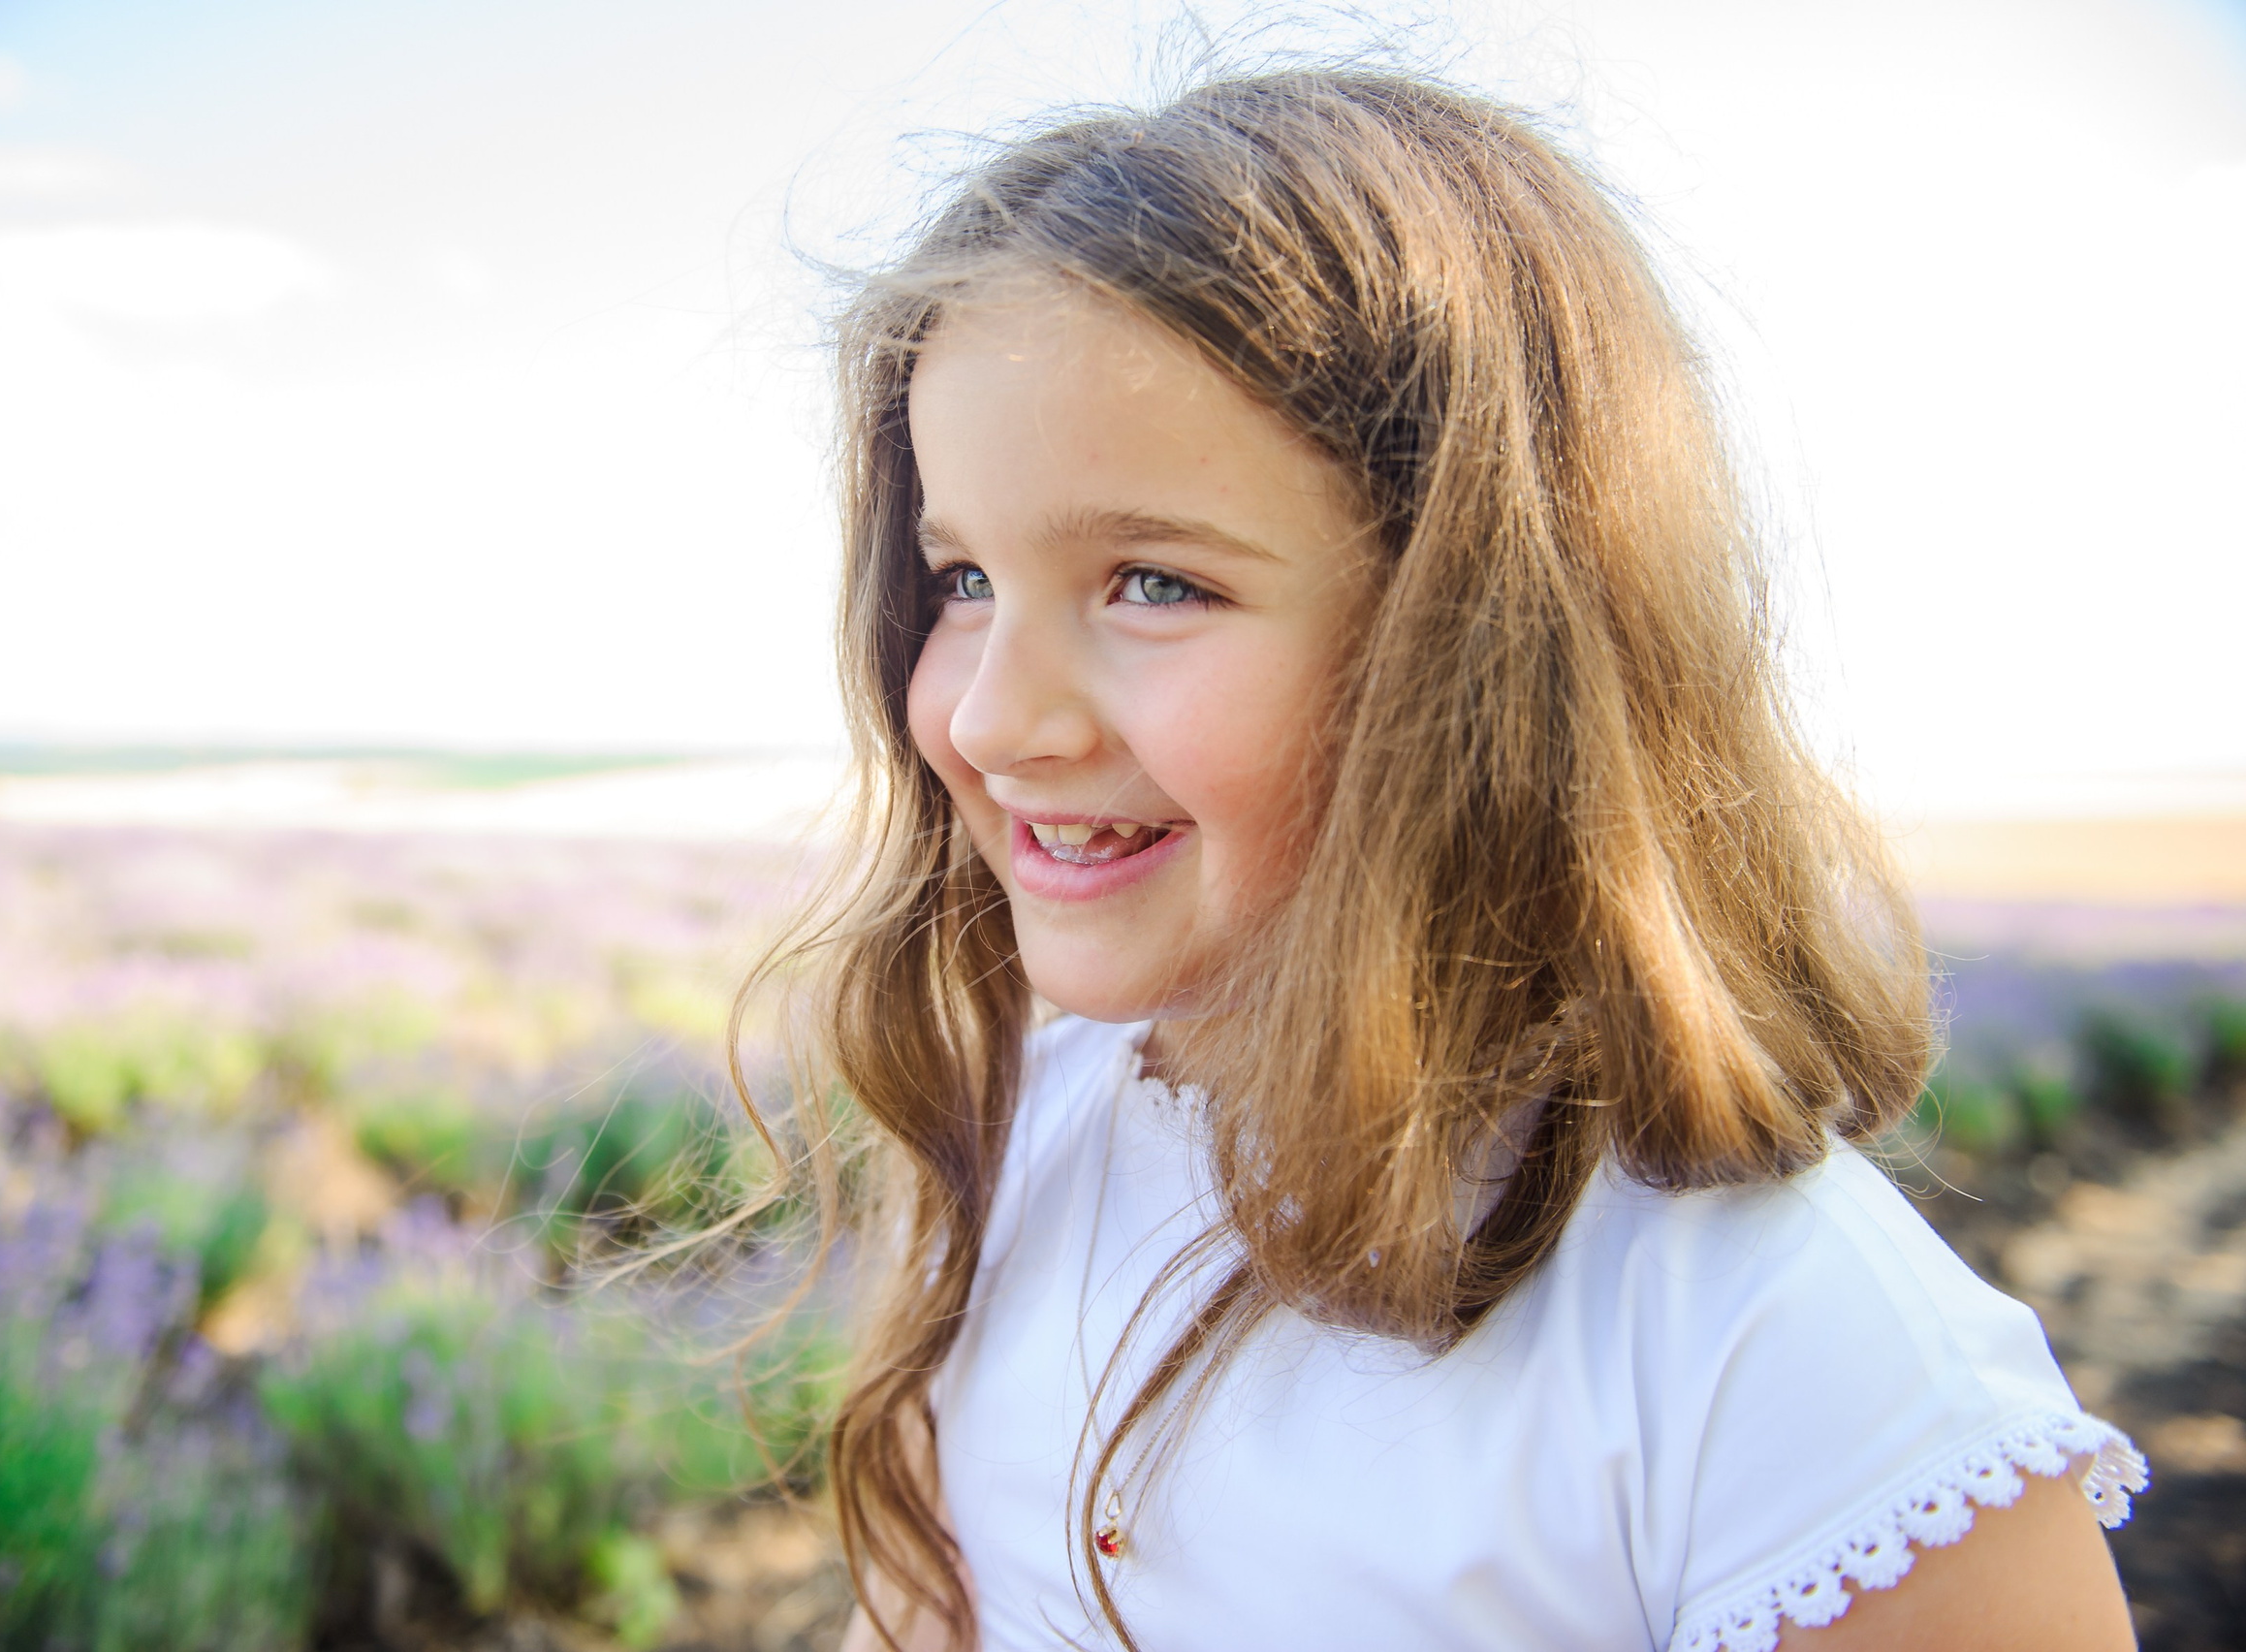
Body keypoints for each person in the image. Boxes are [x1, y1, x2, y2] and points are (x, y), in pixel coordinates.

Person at [749, 66, 2148, 1652]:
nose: (997, 717)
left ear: (1485, 644)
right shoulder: (1032, 1131)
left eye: (1150, 581)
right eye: (963, 578)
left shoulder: (1785, 1360)